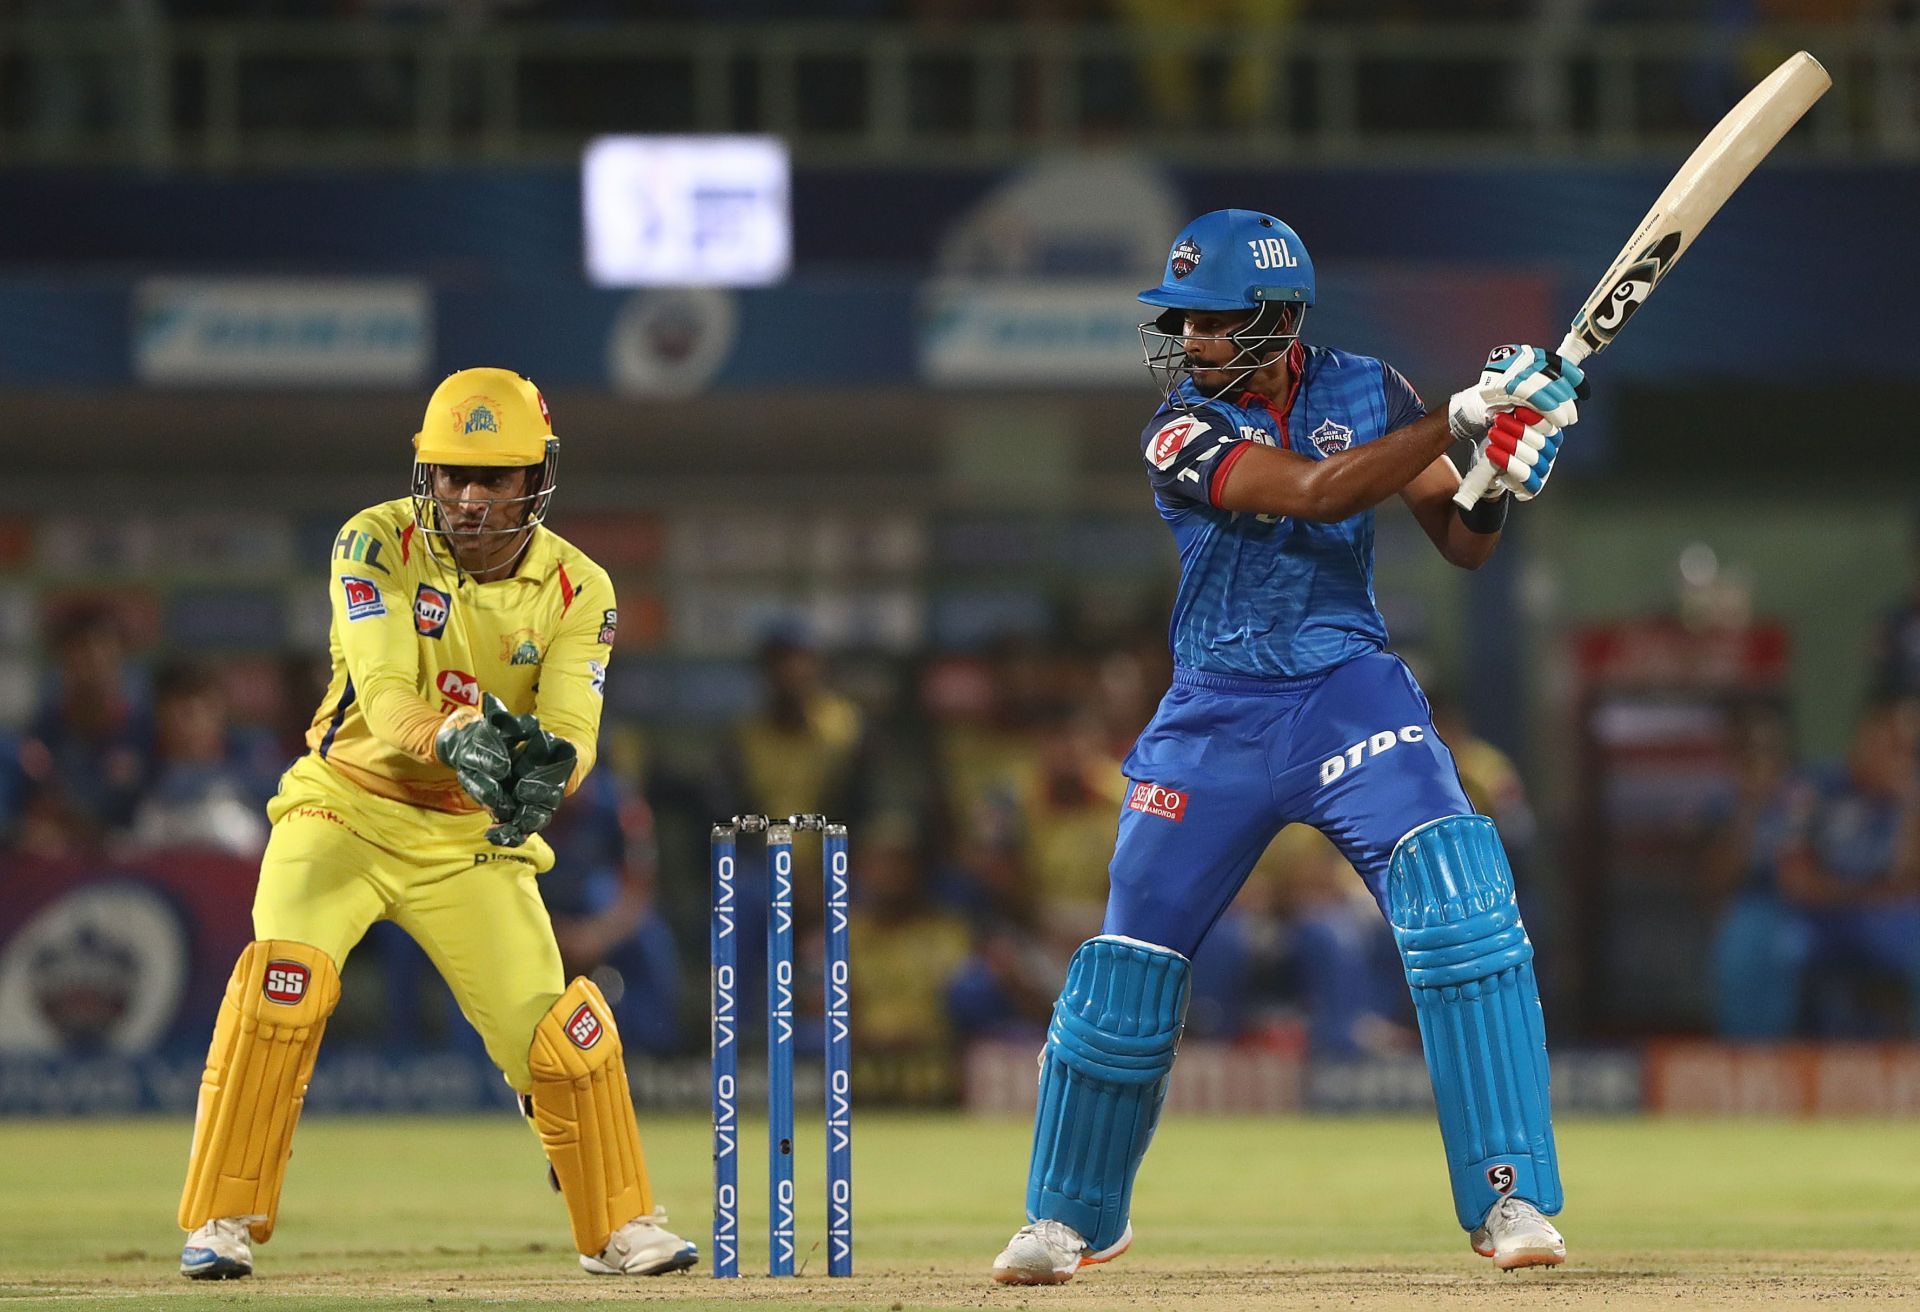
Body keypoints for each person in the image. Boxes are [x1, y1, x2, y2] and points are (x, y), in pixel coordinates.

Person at [989, 209, 1586, 1284]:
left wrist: (1501, 473)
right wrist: (1466, 411)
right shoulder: (1177, 428)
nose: (1186, 341)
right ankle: (1070, 1213)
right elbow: (1313, 493)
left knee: (1459, 892)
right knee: (1128, 961)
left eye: (1210, 323)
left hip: (1347, 690)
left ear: (1275, 319)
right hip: (1214, 711)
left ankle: (1513, 1197)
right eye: (1181, 320)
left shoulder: (1370, 388)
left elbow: (1459, 542)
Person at [176, 368, 696, 1281]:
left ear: (536, 481)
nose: (467, 497)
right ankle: (222, 1219)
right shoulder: (371, 541)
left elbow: (573, 734)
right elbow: (380, 693)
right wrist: (455, 736)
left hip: (465, 839)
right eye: (451, 473)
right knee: (282, 987)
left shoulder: (581, 588)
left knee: (553, 1038)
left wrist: (547, 780)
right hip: (341, 807)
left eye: (492, 478)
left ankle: (618, 1225)